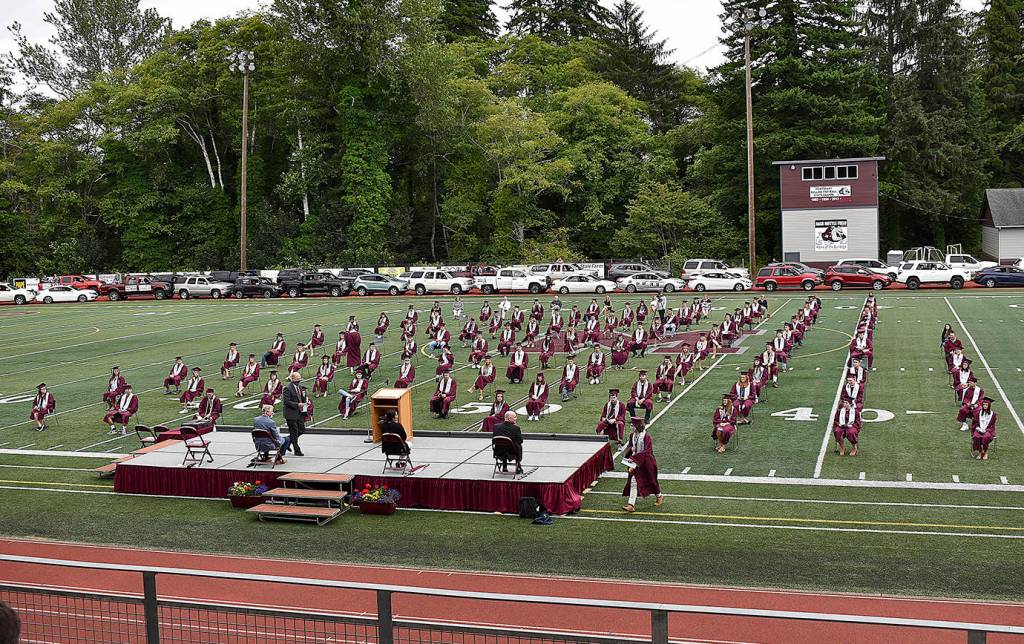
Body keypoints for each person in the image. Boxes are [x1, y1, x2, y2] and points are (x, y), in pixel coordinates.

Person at [621, 417, 663, 512]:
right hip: (637, 463)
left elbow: (647, 452)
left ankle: (659, 496)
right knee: (634, 481)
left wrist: (633, 458)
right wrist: (629, 450)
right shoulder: (632, 435)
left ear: (637, 426)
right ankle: (631, 504)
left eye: (632, 425)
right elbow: (631, 445)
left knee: (652, 481)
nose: (631, 426)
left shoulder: (646, 437)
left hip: (647, 463)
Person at [281, 372, 308, 456]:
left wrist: (306, 402)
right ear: (292, 379)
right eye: (297, 379)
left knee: (301, 429)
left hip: (299, 412)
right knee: (294, 431)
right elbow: (286, 402)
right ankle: (297, 450)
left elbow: (301, 398)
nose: (299, 381)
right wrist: (297, 404)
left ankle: (287, 441)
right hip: (291, 413)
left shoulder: (300, 387)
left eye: (300, 379)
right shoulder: (287, 388)